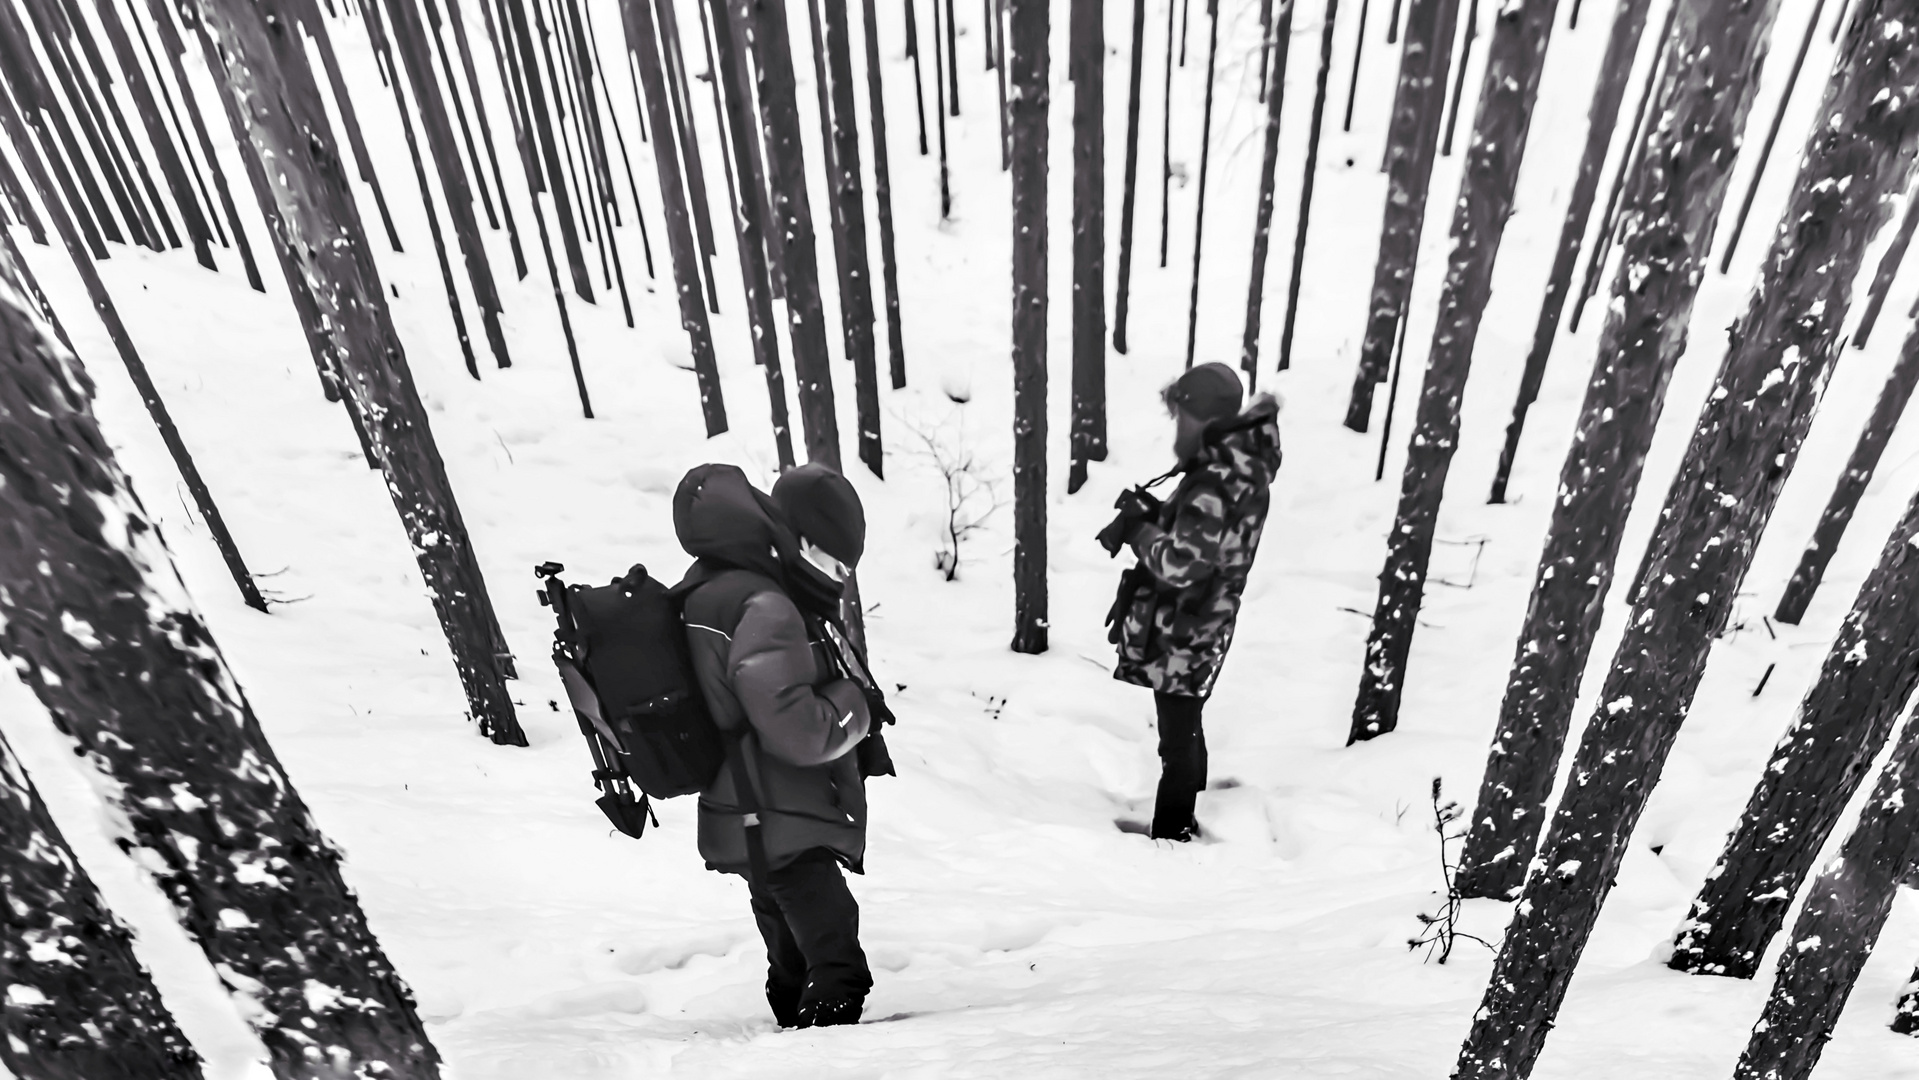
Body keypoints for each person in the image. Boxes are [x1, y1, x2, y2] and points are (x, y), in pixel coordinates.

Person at [673, 462, 875, 1028]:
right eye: (837, 565)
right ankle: (826, 1040)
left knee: (784, 922)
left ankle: (792, 1024)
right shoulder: (766, 606)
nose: (839, 580)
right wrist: (854, 703)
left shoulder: (714, 587)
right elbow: (802, 732)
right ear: (805, 544)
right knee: (833, 950)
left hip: (743, 800)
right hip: (778, 800)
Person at [1102, 363, 1283, 842]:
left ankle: (1175, 835)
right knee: (1187, 719)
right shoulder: (1237, 465)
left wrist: (1141, 531)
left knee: (1177, 735)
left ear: (1197, 417)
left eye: (1179, 415)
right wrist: (1158, 513)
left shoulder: (1216, 478)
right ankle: (1197, 807)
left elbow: (1183, 564)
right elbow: (1209, 540)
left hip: (1189, 625)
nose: (1175, 427)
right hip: (1207, 619)